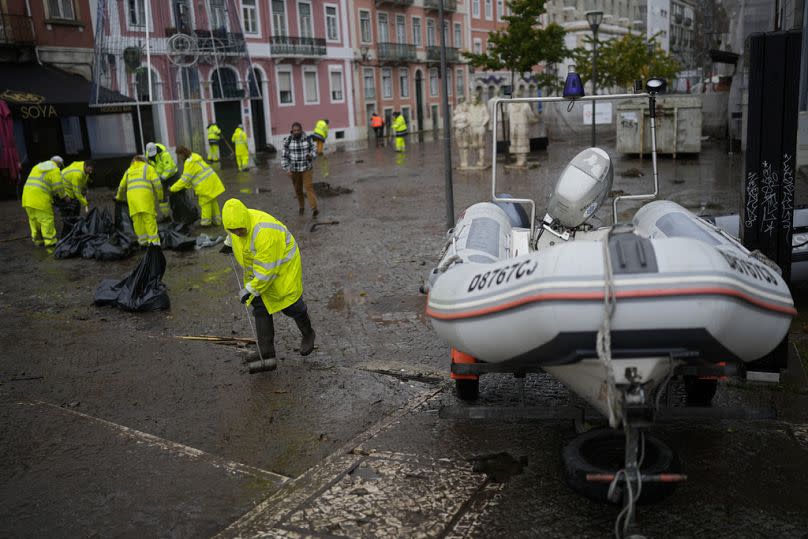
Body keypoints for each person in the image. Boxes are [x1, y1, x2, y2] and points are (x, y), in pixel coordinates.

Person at [221, 198, 316, 373]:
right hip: (261, 270)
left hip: (282, 269)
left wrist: (249, 289)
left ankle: (308, 333)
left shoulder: (264, 232)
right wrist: (228, 243)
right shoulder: (236, 223)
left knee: (290, 305)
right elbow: (232, 233)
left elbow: (266, 271)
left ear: (244, 221)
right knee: (260, 307)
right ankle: (266, 350)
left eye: (240, 230)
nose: (238, 233)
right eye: (233, 231)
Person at [171, 146, 225, 226]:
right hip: (211, 181)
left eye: (179, 155)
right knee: (213, 201)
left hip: (204, 185)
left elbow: (185, 180)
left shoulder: (189, 163)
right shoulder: (194, 157)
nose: (179, 157)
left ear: (182, 154)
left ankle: (206, 223)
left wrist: (172, 188)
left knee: (205, 203)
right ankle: (217, 220)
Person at [115, 155, 162, 246]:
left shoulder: (128, 171)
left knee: (138, 223)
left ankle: (143, 243)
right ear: (143, 161)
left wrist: (119, 198)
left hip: (133, 202)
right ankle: (155, 244)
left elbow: (121, 187)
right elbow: (158, 184)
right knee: (149, 221)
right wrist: (160, 196)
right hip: (145, 200)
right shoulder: (148, 168)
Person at [21, 156, 65, 248]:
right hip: (40, 199)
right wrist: (64, 196)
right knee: (46, 219)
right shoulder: (55, 169)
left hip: (27, 197)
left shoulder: (37, 167)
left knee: (34, 220)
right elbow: (58, 187)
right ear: (59, 164)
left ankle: (38, 240)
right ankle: (50, 241)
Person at [281, 122, 318, 217]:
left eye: (298, 130)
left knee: (308, 187)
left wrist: (311, 155)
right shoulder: (287, 140)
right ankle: (301, 207)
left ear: (301, 130)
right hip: (294, 170)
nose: (296, 132)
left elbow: (314, 149)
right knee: (298, 189)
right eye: (294, 130)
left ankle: (314, 208)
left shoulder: (308, 139)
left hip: (306, 168)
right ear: (292, 131)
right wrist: (287, 169)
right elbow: (284, 157)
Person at [145, 142, 177, 220]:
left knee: (176, 194)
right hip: (161, 178)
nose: (152, 156)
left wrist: (162, 179)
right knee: (162, 197)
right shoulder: (148, 155)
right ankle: (166, 216)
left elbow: (168, 169)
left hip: (172, 176)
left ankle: (178, 214)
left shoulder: (164, 154)